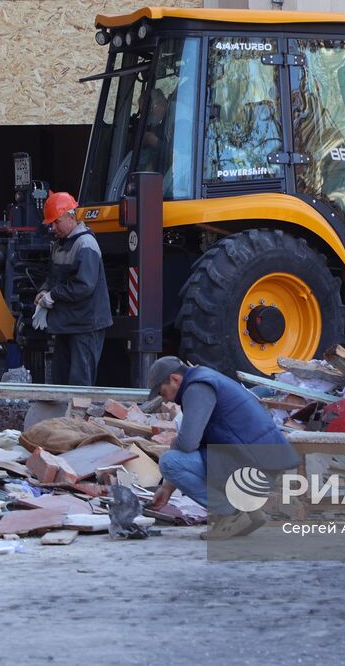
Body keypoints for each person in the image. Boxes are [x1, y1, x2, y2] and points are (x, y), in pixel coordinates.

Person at [146, 356, 300, 540]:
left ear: (175, 379)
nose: (166, 399)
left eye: (163, 393)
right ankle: (246, 512)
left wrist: (172, 446)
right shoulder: (205, 379)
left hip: (255, 467)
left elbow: (187, 443)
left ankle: (233, 513)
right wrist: (167, 488)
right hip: (261, 463)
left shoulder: (198, 388)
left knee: (169, 461)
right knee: (177, 458)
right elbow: (199, 441)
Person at [36, 191, 111, 386]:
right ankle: (66, 417)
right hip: (69, 324)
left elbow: (84, 285)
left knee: (79, 384)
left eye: (56, 222)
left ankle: (77, 418)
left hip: (86, 325)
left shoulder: (85, 244)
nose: (52, 228)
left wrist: (53, 295)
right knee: (62, 382)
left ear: (71, 217)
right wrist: (44, 291)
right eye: (51, 223)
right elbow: (53, 277)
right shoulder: (61, 244)